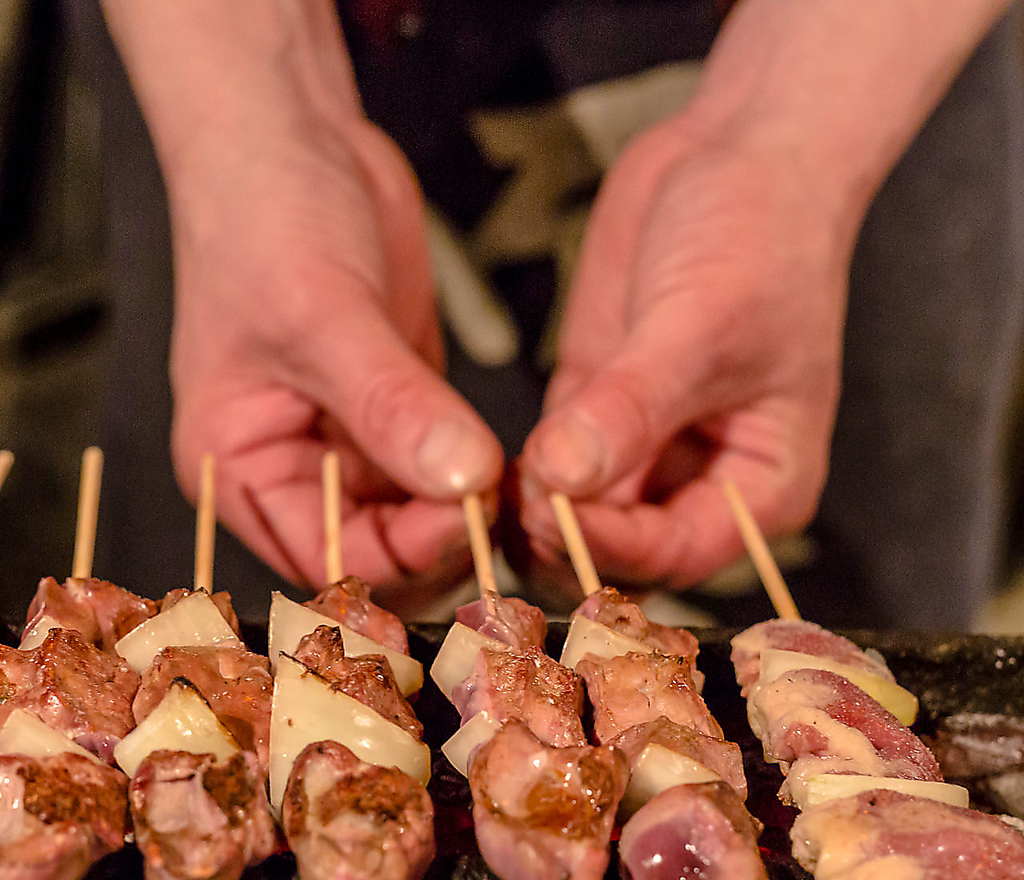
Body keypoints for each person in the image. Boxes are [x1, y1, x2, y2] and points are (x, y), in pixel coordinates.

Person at [70, 0, 1023, 628]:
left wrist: (794, 141)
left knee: (820, 625)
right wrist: (251, 124)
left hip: (866, 52)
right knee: (237, 613)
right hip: (231, 50)